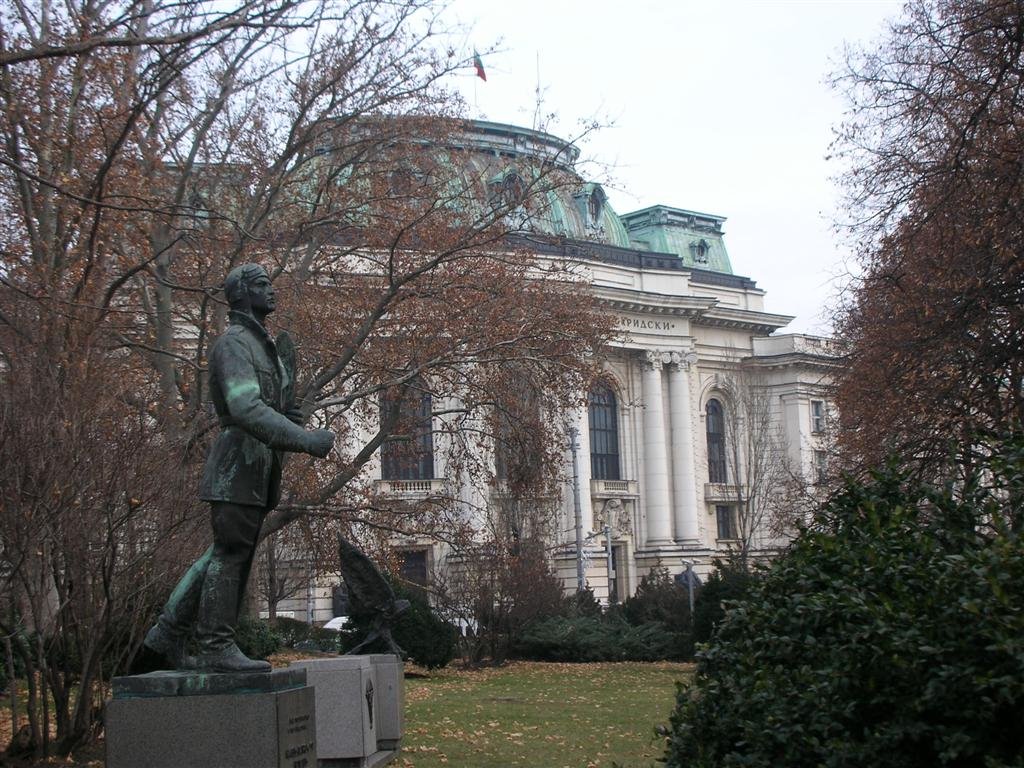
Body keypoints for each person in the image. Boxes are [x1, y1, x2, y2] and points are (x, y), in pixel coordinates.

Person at [144, 264, 335, 672]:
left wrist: (289, 415)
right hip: (237, 463)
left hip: (256, 469)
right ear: (242, 294)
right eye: (263, 285)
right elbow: (246, 407)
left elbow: (269, 405)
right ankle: (215, 645)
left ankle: (166, 633)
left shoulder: (260, 345)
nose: (273, 292)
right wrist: (305, 440)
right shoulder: (233, 344)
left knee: (225, 553)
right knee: (230, 555)